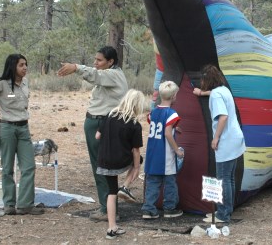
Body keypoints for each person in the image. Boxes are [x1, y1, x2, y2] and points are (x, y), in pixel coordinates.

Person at [57, 46, 128, 222]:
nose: (95, 63)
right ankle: (108, 206)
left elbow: (95, 75)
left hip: (102, 123)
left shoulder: (112, 75)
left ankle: (107, 209)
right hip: (98, 121)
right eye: (95, 59)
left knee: (102, 166)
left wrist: (76, 67)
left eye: (99, 60)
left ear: (110, 62)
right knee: (102, 165)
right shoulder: (110, 75)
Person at [0, 54, 44, 215]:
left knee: (28, 166)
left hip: (23, 128)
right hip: (7, 128)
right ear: (12, 66)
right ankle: (9, 204)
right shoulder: (2, 83)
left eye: (26, 64)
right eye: (21, 65)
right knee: (7, 167)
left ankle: (25, 205)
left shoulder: (25, 83)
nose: (25, 68)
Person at [193, 64, 246, 223]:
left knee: (223, 179)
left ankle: (222, 215)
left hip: (226, 141)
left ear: (206, 80)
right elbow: (215, 94)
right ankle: (227, 211)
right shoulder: (223, 90)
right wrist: (202, 93)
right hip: (236, 139)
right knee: (229, 179)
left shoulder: (216, 95)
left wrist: (215, 139)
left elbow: (222, 117)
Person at [95, 89, 145, 240]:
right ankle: (125, 187)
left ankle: (112, 228)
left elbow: (97, 136)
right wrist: (136, 167)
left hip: (104, 160)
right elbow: (135, 150)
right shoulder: (135, 124)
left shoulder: (110, 115)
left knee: (111, 192)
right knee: (139, 160)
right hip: (120, 160)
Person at [141, 81, 185, 219]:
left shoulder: (153, 112)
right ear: (174, 97)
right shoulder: (171, 113)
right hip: (165, 154)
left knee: (152, 182)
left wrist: (173, 128)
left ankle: (148, 209)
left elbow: (158, 126)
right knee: (170, 182)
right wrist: (177, 150)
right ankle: (170, 209)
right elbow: (166, 133)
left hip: (152, 153)